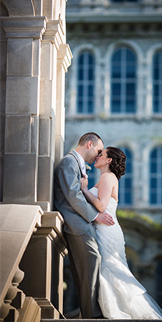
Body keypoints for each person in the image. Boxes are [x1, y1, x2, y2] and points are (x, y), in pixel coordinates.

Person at [80, 146, 162, 319]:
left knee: (110, 269)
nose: (98, 157)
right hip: (106, 230)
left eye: (101, 155)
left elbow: (101, 205)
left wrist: (83, 190)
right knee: (111, 269)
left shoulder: (107, 177)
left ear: (109, 160)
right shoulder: (107, 178)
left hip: (107, 232)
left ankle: (120, 313)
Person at [54, 132, 114, 318]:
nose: (98, 155)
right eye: (98, 150)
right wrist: (95, 215)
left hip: (81, 224)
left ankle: (88, 313)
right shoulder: (68, 162)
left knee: (88, 266)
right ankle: (92, 315)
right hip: (76, 225)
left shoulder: (77, 164)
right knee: (91, 261)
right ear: (89, 144)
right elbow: (73, 195)